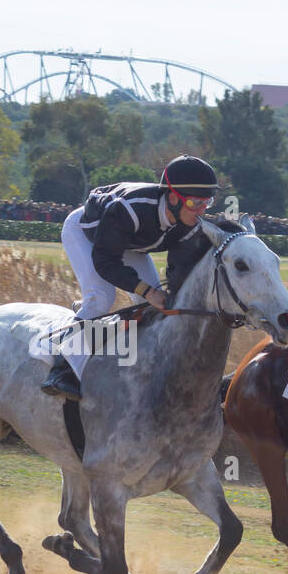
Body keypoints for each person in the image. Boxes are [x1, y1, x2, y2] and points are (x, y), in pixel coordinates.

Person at [41, 155, 217, 400]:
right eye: (196, 202)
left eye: (207, 202)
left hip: (130, 242)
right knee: (102, 297)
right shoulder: (131, 208)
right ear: (174, 198)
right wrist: (147, 290)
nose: (202, 211)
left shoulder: (188, 222)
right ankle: (61, 370)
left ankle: (132, 356)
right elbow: (105, 261)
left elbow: (179, 269)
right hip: (87, 233)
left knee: (151, 307)